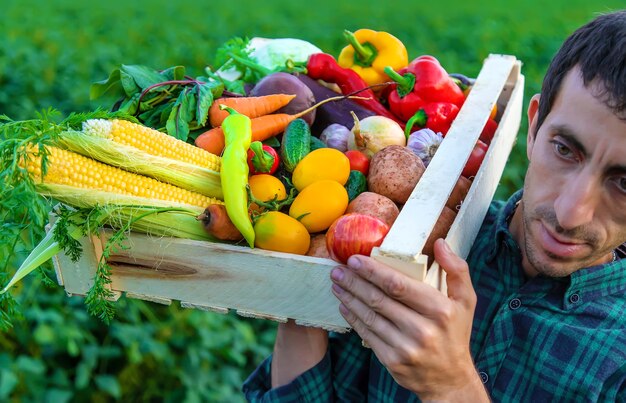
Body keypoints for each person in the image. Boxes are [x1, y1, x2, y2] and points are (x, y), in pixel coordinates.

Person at [243, 10, 626, 402]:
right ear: (533, 128)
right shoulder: (416, 239)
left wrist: (453, 386)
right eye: (564, 150)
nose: (570, 213)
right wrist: (303, 281)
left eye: (624, 183)